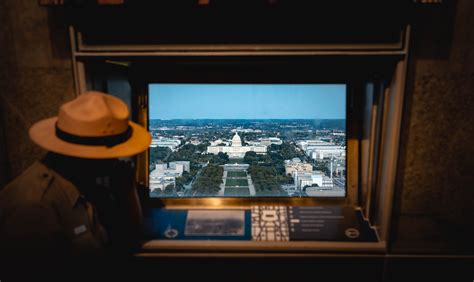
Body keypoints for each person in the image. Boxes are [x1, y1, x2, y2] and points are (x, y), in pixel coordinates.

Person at [0, 91, 151, 257]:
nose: (116, 160)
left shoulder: (86, 183)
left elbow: (127, 241)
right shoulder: (34, 206)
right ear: (89, 157)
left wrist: (127, 191)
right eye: (112, 154)